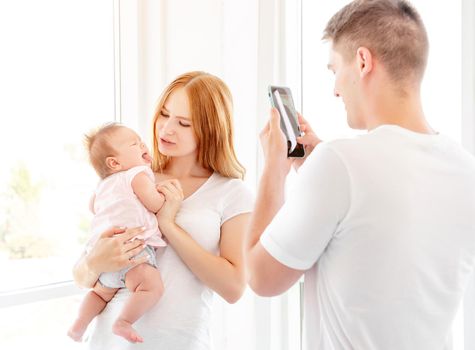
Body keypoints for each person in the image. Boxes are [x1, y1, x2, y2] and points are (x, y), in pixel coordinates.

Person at [245, 1, 475, 349]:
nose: (335, 89)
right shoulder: (464, 167)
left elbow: (260, 277)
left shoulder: (339, 163)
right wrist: (316, 172)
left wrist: (274, 170)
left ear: (363, 62)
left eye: (334, 69)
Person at [71, 71, 254, 349]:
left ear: (210, 129)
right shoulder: (129, 178)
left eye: (183, 123)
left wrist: (168, 224)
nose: (166, 129)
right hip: (108, 340)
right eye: (164, 114)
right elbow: (81, 276)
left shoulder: (230, 192)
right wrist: (95, 262)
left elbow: (233, 288)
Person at [68, 123, 167, 343]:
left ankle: (79, 324)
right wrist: (163, 196)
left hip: (103, 256)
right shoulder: (138, 174)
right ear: (114, 162)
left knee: (99, 294)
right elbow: (155, 204)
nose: (143, 145)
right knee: (151, 287)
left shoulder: (101, 186)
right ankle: (124, 321)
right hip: (133, 251)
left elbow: (93, 207)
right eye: (135, 143)